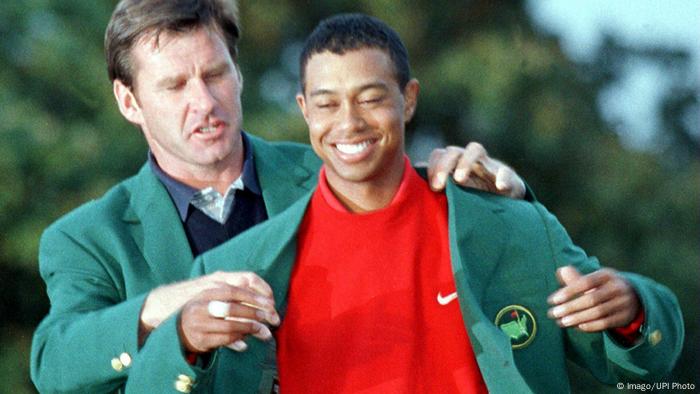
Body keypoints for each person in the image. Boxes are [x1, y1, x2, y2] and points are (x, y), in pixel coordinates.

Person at [29, 1, 527, 393]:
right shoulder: (86, 238)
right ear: (129, 101)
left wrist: (506, 188)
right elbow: (53, 362)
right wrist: (166, 308)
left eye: (215, 74)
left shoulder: (339, 167)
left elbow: (465, 229)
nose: (204, 102)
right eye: (175, 85)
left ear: (238, 73)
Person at [191, 13, 684, 393]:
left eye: (371, 98)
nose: (349, 122)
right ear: (304, 110)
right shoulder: (240, 266)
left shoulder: (513, 229)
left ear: (408, 99)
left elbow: (640, 364)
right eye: (327, 103)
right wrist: (181, 343)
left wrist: (632, 310)